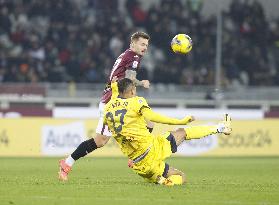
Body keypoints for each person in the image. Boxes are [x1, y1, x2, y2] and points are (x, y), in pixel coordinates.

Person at [58, 31, 153, 181]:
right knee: (101, 141)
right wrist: (142, 83)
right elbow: (129, 79)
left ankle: (137, 158)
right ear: (133, 43)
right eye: (142, 44)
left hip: (122, 100)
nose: (145, 47)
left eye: (146, 45)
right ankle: (67, 162)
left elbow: (122, 79)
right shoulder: (133, 56)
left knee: (147, 121)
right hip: (112, 102)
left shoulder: (128, 55)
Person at [103, 78, 232, 186]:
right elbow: (154, 117)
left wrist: (114, 87)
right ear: (132, 91)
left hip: (138, 164)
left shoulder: (108, 108)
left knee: (178, 176)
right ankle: (221, 127)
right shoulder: (136, 101)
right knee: (182, 132)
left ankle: (160, 180)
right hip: (151, 150)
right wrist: (180, 121)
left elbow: (115, 101)